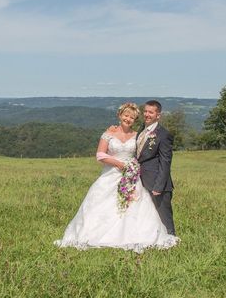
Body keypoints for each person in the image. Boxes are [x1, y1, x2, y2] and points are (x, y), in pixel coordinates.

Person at [54, 102, 178, 252]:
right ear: (119, 115)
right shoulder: (109, 134)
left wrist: (131, 168)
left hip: (132, 177)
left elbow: (152, 157)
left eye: (132, 117)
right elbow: (100, 155)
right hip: (111, 175)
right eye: (126, 115)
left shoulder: (137, 134)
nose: (128, 119)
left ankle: (141, 235)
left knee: (134, 206)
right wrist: (119, 164)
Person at [136, 100, 176, 235]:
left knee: (164, 216)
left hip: (157, 184)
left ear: (158, 115)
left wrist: (159, 186)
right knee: (149, 215)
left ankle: (171, 240)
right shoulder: (141, 129)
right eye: (145, 111)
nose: (147, 114)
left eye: (151, 112)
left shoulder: (163, 135)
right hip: (141, 181)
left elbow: (165, 163)